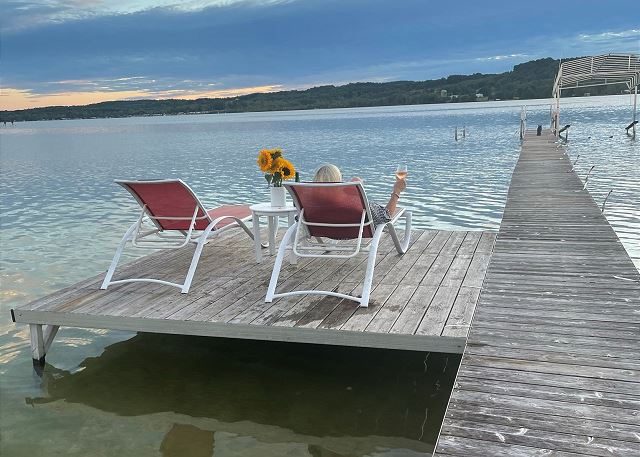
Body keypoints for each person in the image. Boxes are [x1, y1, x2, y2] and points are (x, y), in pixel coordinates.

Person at [313, 164, 406, 225]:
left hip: (323, 231)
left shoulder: (311, 204)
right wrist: (396, 191)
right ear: (338, 181)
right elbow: (386, 215)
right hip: (351, 232)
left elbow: (298, 218)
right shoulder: (351, 202)